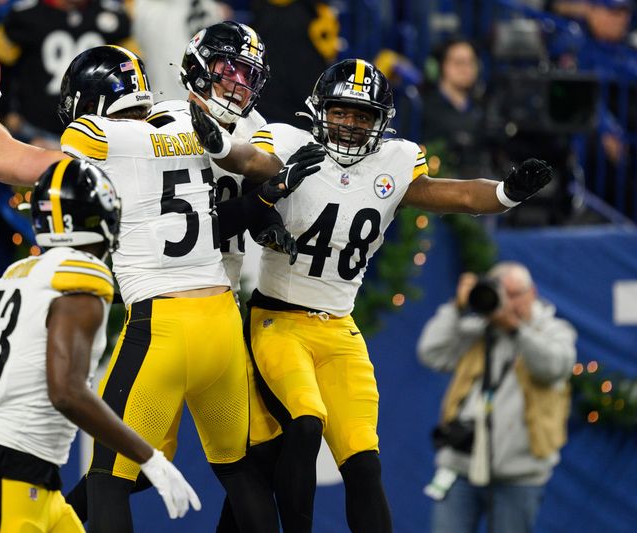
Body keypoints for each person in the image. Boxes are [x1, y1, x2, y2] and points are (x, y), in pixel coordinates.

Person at [0, 44, 320, 532]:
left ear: (92, 105)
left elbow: (0, 159)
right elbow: (255, 166)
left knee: (107, 477)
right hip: (222, 318)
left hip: (162, 323)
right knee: (241, 472)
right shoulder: (188, 120)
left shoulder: (98, 138)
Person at [191, 58, 554, 532]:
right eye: (341, 111)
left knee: (364, 465)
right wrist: (218, 141)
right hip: (278, 320)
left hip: (340, 328)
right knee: (303, 424)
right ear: (321, 109)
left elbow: (461, 196)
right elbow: (252, 162)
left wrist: (506, 192)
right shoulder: (293, 144)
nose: (349, 123)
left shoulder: (394, 163)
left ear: (380, 122)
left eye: (362, 115)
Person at [0, 159, 200, 532]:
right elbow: (66, 392)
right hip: (5, 484)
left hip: (31, 484)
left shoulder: (26, 277)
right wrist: (148, 456)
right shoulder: (80, 285)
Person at [418, 262, 577, 533]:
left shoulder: (554, 330)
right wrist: (457, 308)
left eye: (516, 294)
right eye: (503, 294)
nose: (509, 303)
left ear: (533, 292)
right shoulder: (478, 330)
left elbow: (553, 367)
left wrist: (515, 329)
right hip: (459, 468)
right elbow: (431, 352)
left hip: (519, 476)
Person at [0, 0, 133, 146]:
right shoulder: (24, 14)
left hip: (96, 133)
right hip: (35, 131)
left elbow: (130, 68)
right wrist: (5, 113)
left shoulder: (115, 14)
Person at [421, 36, 491, 179]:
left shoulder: (484, 107)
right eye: (459, 63)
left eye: (471, 62)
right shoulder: (423, 106)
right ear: (441, 66)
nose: (466, 69)